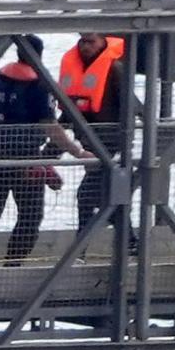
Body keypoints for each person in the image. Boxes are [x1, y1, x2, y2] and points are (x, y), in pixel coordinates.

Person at [0, 37, 58, 265]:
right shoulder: (39, 85)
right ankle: (13, 263)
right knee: (30, 214)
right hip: (27, 158)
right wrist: (75, 149)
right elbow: (49, 124)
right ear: (39, 55)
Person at [55, 30, 134, 231]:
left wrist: (125, 145)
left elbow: (128, 107)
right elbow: (69, 111)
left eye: (90, 42)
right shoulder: (77, 71)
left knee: (86, 196)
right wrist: (52, 147)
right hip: (89, 143)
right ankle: (130, 241)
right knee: (107, 197)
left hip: (110, 143)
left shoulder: (115, 70)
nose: (85, 46)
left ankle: (81, 247)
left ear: (102, 43)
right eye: (82, 42)